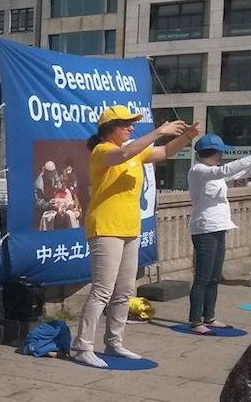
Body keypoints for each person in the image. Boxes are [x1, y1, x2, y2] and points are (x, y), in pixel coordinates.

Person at [72, 107, 198, 368]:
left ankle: (114, 342)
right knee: (102, 291)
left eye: (132, 123)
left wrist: (187, 137)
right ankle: (82, 346)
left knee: (125, 290)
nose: (131, 127)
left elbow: (164, 152)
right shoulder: (102, 151)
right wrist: (160, 130)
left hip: (130, 228)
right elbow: (125, 152)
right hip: (106, 227)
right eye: (126, 124)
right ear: (111, 128)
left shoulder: (135, 151)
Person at [185, 135, 251, 334]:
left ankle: (209, 316)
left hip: (220, 226)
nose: (222, 155)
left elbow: (243, 172)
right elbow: (225, 170)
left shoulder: (213, 173)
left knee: (214, 277)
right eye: (219, 151)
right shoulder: (198, 170)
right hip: (204, 228)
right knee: (202, 277)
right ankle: (195, 320)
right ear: (211, 152)